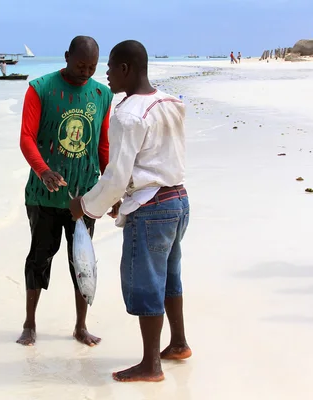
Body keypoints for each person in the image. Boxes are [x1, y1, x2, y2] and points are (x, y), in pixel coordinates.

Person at [70, 39, 191, 382]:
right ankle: (178, 343)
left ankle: (151, 365)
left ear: (125, 69)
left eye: (109, 67)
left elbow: (117, 176)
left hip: (151, 211)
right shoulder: (169, 102)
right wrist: (124, 198)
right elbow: (155, 160)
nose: (105, 74)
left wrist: (85, 206)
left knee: (146, 283)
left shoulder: (127, 114)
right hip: (178, 200)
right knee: (170, 275)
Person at [17, 35, 115, 347]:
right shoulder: (40, 88)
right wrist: (43, 170)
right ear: (66, 57)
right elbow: (26, 138)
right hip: (43, 196)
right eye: (80, 65)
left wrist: (111, 190)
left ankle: (80, 327)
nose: (86, 72)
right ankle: (30, 323)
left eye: (92, 67)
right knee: (39, 258)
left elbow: (103, 146)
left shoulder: (103, 94)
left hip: (83, 198)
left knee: (82, 262)